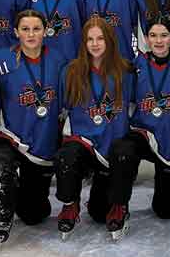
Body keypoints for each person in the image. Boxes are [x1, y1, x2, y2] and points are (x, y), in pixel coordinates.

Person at [0, 10, 66, 247]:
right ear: (16, 32)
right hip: (8, 136)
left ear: (45, 31)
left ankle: (19, 192)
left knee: (34, 215)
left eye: (36, 29)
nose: (31, 34)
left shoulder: (59, 61)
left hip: (41, 142)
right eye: (25, 29)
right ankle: (0, 212)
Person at [104, 16, 170, 240]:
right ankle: (118, 205)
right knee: (122, 151)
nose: (159, 41)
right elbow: (127, 101)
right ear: (146, 38)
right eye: (153, 35)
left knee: (167, 211)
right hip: (143, 132)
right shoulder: (137, 64)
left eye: (164, 35)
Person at [54, 16, 134, 239]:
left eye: (100, 38)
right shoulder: (70, 72)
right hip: (84, 143)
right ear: (83, 42)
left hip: (113, 147)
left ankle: (119, 205)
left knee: (99, 214)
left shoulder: (125, 71)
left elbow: (135, 106)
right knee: (65, 157)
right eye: (90, 39)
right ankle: (70, 204)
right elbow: (63, 109)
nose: (95, 44)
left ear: (109, 40)